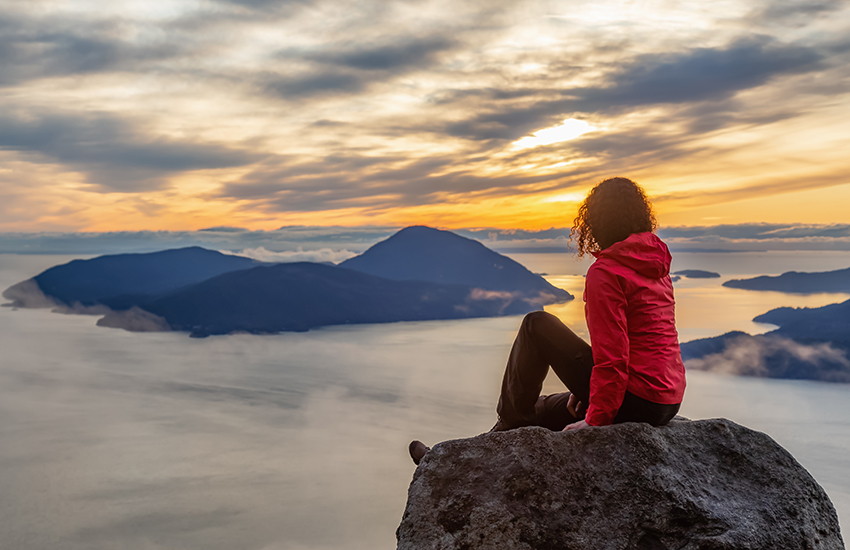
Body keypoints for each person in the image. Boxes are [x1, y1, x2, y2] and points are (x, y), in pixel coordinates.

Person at [409, 177, 686, 465]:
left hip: (635, 398)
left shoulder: (606, 272)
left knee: (536, 325)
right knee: (547, 409)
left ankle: (498, 434)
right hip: (666, 401)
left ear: (597, 222)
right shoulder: (655, 265)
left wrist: (597, 419)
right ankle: (452, 459)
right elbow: (643, 342)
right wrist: (587, 390)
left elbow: (614, 357)